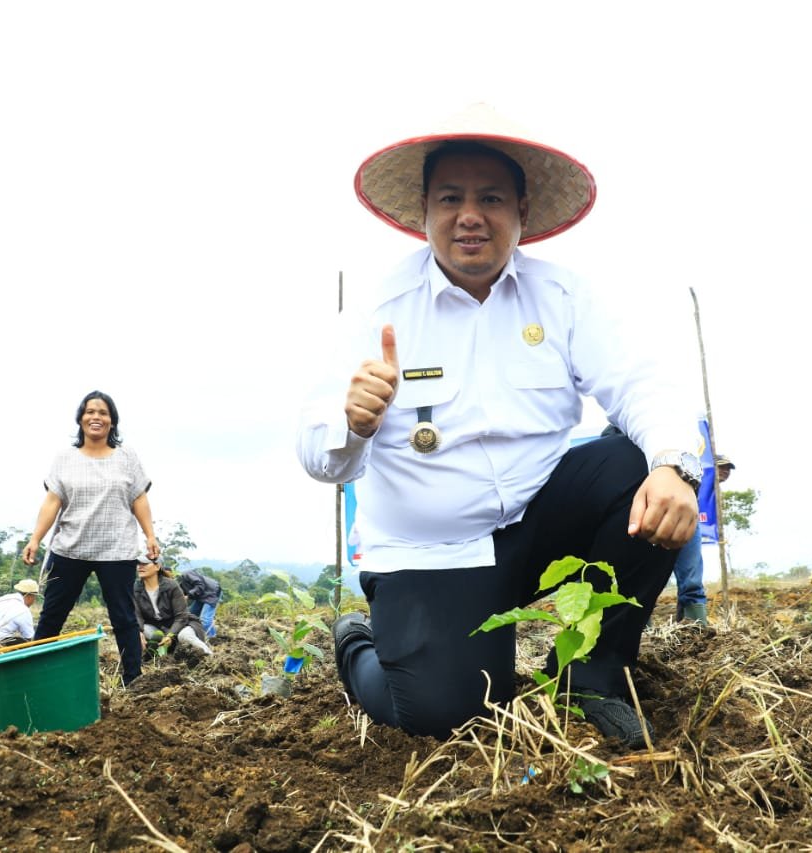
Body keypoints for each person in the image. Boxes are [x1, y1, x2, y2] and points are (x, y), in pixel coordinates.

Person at [298, 105, 700, 747]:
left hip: (536, 522)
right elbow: (319, 457)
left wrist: (674, 466)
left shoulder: (562, 299)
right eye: (450, 198)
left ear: (522, 210)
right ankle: (359, 646)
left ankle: (591, 673)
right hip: (431, 553)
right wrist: (353, 424)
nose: (470, 216)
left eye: (490, 197)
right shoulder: (378, 314)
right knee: (447, 714)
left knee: (634, 467)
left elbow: (642, 384)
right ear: (424, 212)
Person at [22, 390, 158, 686]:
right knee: (52, 616)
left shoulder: (126, 457)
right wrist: (35, 539)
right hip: (70, 548)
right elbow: (52, 501)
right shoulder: (65, 458)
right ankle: (33, 676)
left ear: (112, 422)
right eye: (90, 412)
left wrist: (150, 535)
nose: (96, 417)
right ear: (81, 419)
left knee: (124, 618)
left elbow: (139, 499)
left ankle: (134, 681)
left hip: (116, 550)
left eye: (103, 413)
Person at [670, 452, 737, 625]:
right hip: (660, 515)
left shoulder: (709, 493)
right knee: (646, 579)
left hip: (690, 520)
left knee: (691, 581)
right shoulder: (685, 468)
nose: (726, 471)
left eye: (728, 469)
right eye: (721, 467)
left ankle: (695, 631)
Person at [132, 556, 212, 658]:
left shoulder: (171, 586)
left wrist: (170, 635)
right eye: (139, 564)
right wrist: (138, 631)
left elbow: (181, 616)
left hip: (181, 625)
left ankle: (209, 656)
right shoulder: (135, 588)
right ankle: (159, 654)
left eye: (145, 564)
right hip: (157, 626)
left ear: (157, 567)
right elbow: (137, 615)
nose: (140, 567)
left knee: (185, 636)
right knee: (143, 631)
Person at [176, 568, 222, 639]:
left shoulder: (186, 574)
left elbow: (200, 585)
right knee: (191, 614)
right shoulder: (177, 585)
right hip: (201, 595)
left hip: (212, 592)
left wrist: (188, 596)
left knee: (205, 620)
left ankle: (212, 638)